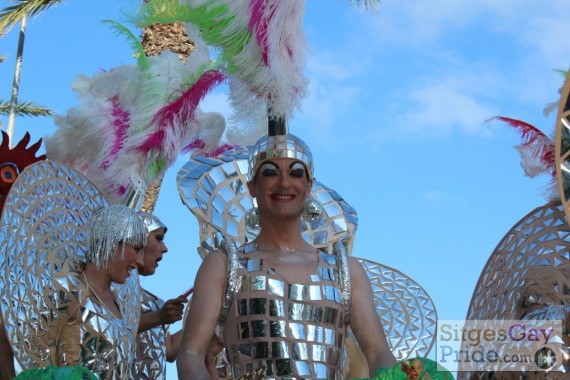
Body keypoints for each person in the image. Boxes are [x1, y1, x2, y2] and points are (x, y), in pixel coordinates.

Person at [177, 127, 397, 379]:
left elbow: (378, 352)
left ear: (308, 185)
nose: (284, 182)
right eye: (270, 172)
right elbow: (191, 355)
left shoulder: (345, 270)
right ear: (252, 186)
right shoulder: (224, 265)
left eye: (296, 172)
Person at [46, 204, 147, 379]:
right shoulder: (68, 289)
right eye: (136, 249)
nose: (140, 262)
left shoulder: (120, 304)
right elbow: (30, 344)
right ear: (112, 241)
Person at [133, 212, 224, 380]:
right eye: (158, 238)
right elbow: (114, 325)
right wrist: (158, 317)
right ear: (136, 239)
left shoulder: (153, 302)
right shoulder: (110, 290)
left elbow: (169, 350)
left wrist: (213, 310)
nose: (165, 248)